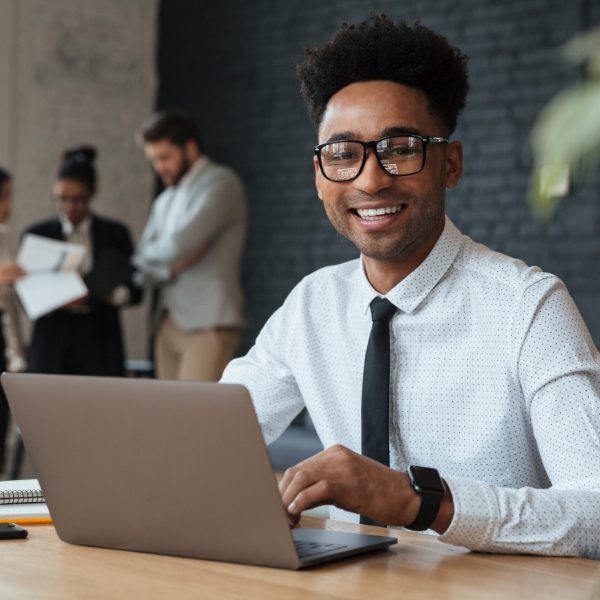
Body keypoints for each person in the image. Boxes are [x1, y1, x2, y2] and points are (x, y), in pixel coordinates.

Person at [221, 16, 600, 558]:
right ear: (319, 177)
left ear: (451, 164)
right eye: (343, 154)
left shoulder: (528, 307)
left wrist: (419, 500)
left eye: (400, 148)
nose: (371, 180)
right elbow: (206, 442)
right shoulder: (312, 303)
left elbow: (597, 509)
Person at [133, 110, 246, 381]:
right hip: (167, 322)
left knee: (194, 420)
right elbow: (138, 260)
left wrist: (162, 252)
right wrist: (169, 271)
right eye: (154, 161)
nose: (159, 167)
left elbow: (178, 245)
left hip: (209, 322)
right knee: (168, 419)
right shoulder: (165, 200)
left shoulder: (221, 183)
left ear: (190, 148)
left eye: (165, 157)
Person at [25, 146, 142, 376]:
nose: (69, 208)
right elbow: (25, 295)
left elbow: (136, 290)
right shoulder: (38, 234)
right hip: (52, 343)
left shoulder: (115, 234)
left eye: (78, 200)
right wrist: (55, 298)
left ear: (93, 193)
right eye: (61, 199)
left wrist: (110, 293)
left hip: (100, 342)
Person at [0, 168, 26, 472]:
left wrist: (17, 354)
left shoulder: (4, 235)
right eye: (4, 196)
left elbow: (8, 309)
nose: (8, 205)